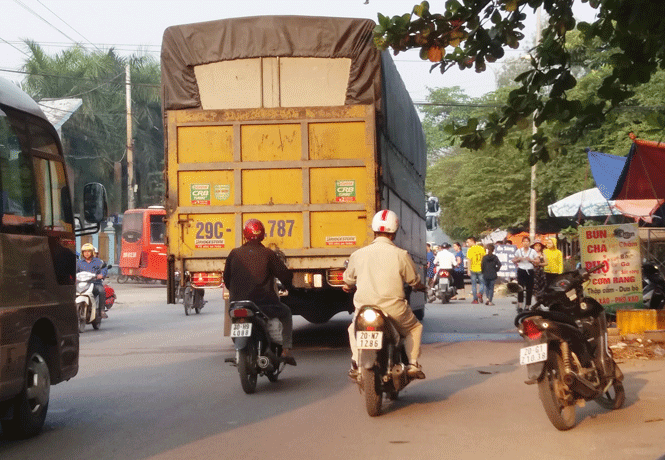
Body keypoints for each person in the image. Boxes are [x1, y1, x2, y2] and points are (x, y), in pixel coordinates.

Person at [343, 209, 428, 379]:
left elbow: (348, 280)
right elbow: (413, 280)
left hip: (364, 308)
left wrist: (348, 286)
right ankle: (412, 363)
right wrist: (419, 286)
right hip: (394, 309)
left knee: (353, 328)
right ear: (394, 233)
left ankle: (356, 362)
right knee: (414, 327)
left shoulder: (358, 254)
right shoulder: (401, 255)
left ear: (374, 231)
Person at [223, 219, 297, 366]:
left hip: (237, 303)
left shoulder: (234, 253)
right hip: (264, 305)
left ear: (245, 235)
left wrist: (236, 294)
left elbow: (226, 278)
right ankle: (286, 350)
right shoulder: (268, 254)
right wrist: (290, 287)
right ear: (262, 235)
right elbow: (285, 275)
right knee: (286, 312)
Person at [76, 242, 108, 319]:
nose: (86, 253)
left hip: (95, 283)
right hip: (82, 283)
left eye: (88, 251)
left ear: (92, 252)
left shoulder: (98, 261)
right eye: (85, 252)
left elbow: (104, 269)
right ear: (82, 253)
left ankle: (101, 311)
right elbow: (75, 272)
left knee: (101, 291)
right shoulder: (79, 263)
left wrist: (101, 275)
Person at [512, 236, 538, 311]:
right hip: (521, 270)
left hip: (530, 270)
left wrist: (531, 260)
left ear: (529, 243)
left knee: (529, 289)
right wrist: (519, 259)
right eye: (524, 241)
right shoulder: (519, 251)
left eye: (527, 242)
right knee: (520, 288)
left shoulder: (532, 251)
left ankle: (527, 306)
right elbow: (513, 260)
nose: (526, 243)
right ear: (522, 243)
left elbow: (538, 261)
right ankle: (520, 305)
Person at [466, 237, 486, 304]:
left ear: (472, 241)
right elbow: (484, 259)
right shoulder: (481, 248)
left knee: (474, 285)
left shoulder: (470, 250)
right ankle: (480, 293)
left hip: (473, 269)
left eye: (468, 242)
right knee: (482, 283)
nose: (467, 244)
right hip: (481, 269)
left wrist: (468, 270)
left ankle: (475, 300)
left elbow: (469, 261)